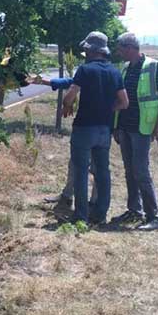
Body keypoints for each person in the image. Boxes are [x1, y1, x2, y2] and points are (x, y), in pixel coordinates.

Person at [62, 32, 128, 225]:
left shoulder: (85, 70)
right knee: (102, 172)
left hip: (84, 128)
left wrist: (67, 104)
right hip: (104, 130)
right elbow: (124, 102)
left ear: (91, 49)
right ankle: (100, 214)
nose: (84, 51)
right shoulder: (115, 72)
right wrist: (108, 109)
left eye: (86, 48)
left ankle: (80, 215)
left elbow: (69, 97)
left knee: (81, 171)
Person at [111, 32, 158, 231]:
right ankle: (134, 210)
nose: (119, 53)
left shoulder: (153, 66)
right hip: (125, 127)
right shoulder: (125, 68)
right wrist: (116, 127)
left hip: (142, 128)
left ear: (130, 48)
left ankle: (153, 217)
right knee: (130, 171)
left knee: (140, 170)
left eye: (121, 49)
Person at [27, 75, 98, 214]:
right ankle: (67, 196)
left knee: (97, 167)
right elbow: (69, 82)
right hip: (84, 126)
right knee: (74, 163)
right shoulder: (88, 72)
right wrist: (42, 81)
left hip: (99, 127)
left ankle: (95, 202)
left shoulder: (109, 74)